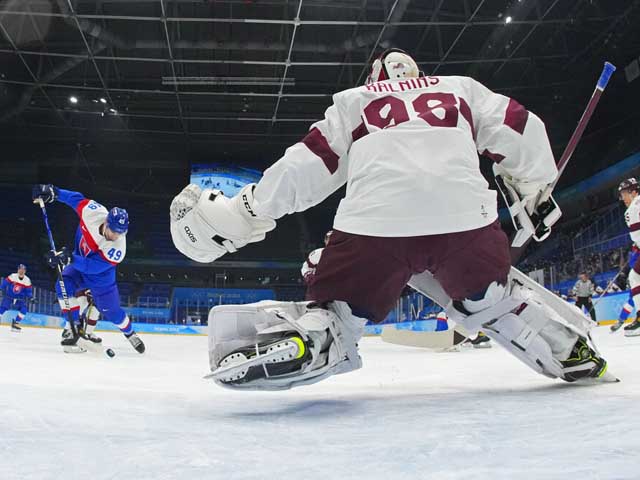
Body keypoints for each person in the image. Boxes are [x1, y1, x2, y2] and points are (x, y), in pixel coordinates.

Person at [170, 48, 613, 390]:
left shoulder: (355, 101)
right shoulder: (461, 88)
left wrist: (246, 211)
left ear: (374, 78)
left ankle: (318, 337)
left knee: (338, 305)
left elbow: (306, 166)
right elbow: (522, 128)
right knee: (489, 298)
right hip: (466, 223)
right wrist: (535, 190)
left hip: (375, 228)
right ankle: (566, 349)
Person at [32, 185, 145, 353]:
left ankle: (130, 333)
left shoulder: (118, 248)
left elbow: (92, 267)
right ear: (106, 221)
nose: (115, 236)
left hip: (101, 277)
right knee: (62, 286)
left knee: (112, 312)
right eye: (113, 231)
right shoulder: (94, 212)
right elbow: (75, 198)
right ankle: (75, 327)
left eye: (120, 233)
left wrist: (68, 257)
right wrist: (55, 192)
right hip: (78, 264)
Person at [611, 178, 640, 335]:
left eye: (624, 194)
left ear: (633, 191)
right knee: (634, 278)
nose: (622, 198)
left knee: (634, 278)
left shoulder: (632, 210)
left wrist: (637, 247)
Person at [0, 264, 33, 332]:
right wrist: (0, 289)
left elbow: (28, 291)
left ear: (25, 271)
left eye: (23, 270)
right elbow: (4, 283)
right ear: (18, 270)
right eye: (20, 269)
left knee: (24, 310)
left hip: (20, 299)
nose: (21, 271)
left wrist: (31, 297)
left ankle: (15, 324)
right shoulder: (13, 276)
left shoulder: (27, 280)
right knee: (2, 308)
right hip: (9, 296)